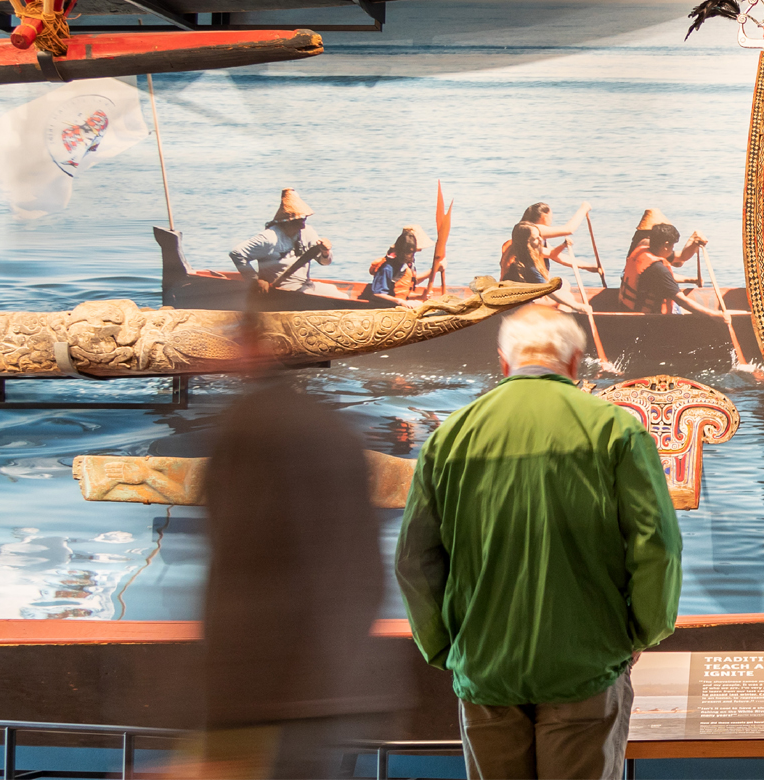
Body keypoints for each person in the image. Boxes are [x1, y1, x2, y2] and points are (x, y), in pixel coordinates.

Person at [396, 305, 683, 780]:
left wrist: (446, 649)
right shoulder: (617, 430)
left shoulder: (450, 437)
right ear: (574, 364)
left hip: (486, 666)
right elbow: (658, 547)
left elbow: (414, 560)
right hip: (586, 664)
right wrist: (640, 632)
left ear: (503, 363)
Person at [198, 309, 403, 777]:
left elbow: (240, 559)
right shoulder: (329, 429)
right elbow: (363, 568)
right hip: (328, 678)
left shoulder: (247, 428)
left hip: (265, 680)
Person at [614, 209, 736, 323]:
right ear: (664, 243)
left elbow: (681, 259)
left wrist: (693, 242)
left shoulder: (642, 250)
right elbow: (682, 300)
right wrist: (713, 315)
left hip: (630, 308)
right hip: (650, 319)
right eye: (672, 245)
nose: (673, 249)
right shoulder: (657, 268)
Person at [230, 188, 334, 292]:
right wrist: (254, 281)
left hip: (305, 286)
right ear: (287, 221)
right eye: (298, 220)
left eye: (304, 219)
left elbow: (325, 262)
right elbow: (237, 253)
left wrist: (325, 252)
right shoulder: (269, 238)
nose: (302, 225)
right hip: (283, 290)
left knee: (336, 292)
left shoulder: (308, 231)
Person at [500, 201, 599, 310]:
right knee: (567, 298)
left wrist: (591, 267)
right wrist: (584, 208)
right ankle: (560, 321)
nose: (540, 239)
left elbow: (553, 254)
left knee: (564, 283)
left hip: (524, 293)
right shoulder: (531, 234)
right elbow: (569, 230)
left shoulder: (530, 247)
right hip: (518, 303)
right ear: (544, 216)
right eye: (536, 238)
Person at [364, 225, 432, 306]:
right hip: (386, 306)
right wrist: (400, 302)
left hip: (399, 302)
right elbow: (377, 295)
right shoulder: (387, 268)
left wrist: (421, 297)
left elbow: (402, 293)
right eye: (406, 252)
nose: (408, 256)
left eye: (411, 253)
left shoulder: (407, 265)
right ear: (399, 251)